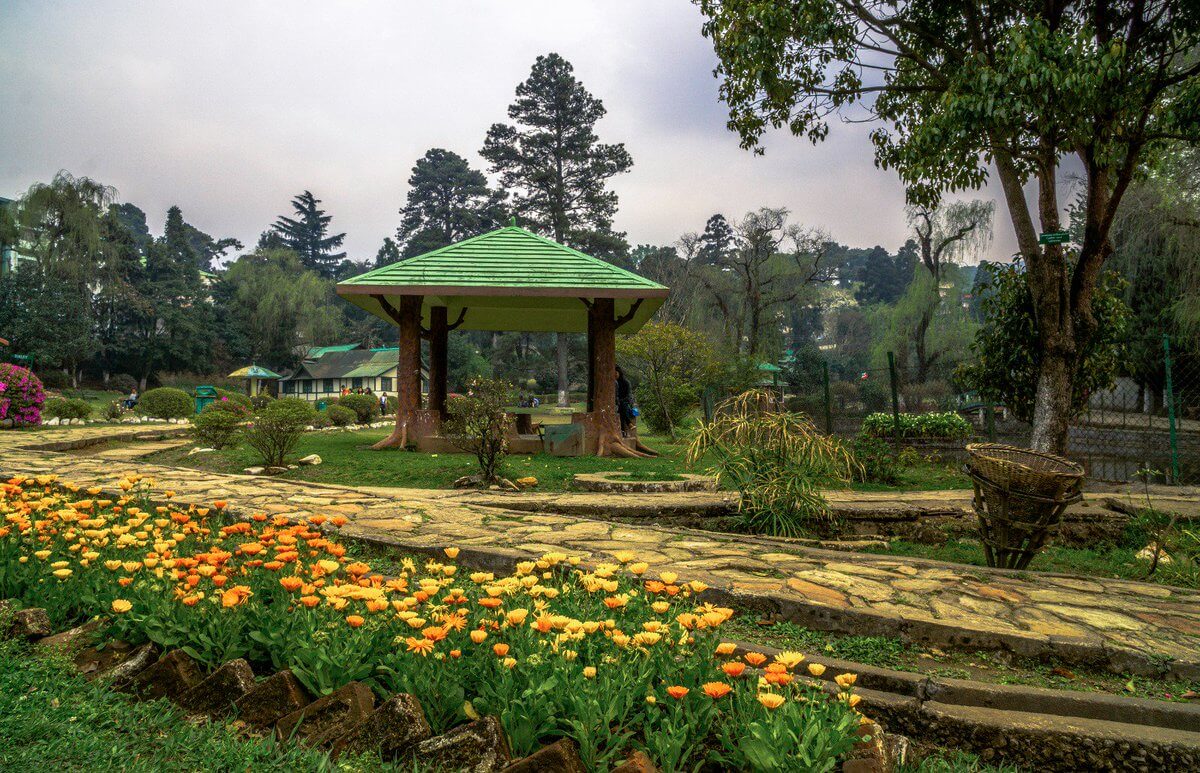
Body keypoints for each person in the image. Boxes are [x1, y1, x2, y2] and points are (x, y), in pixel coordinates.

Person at [615, 365, 635, 436]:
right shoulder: (613, 383)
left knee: (622, 407)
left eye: (616, 373)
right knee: (621, 408)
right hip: (616, 404)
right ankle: (629, 424)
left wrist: (620, 401)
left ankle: (623, 431)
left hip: (625, 403)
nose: (614, 375)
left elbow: (628, 396)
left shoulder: (626, 383)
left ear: (619, 373)